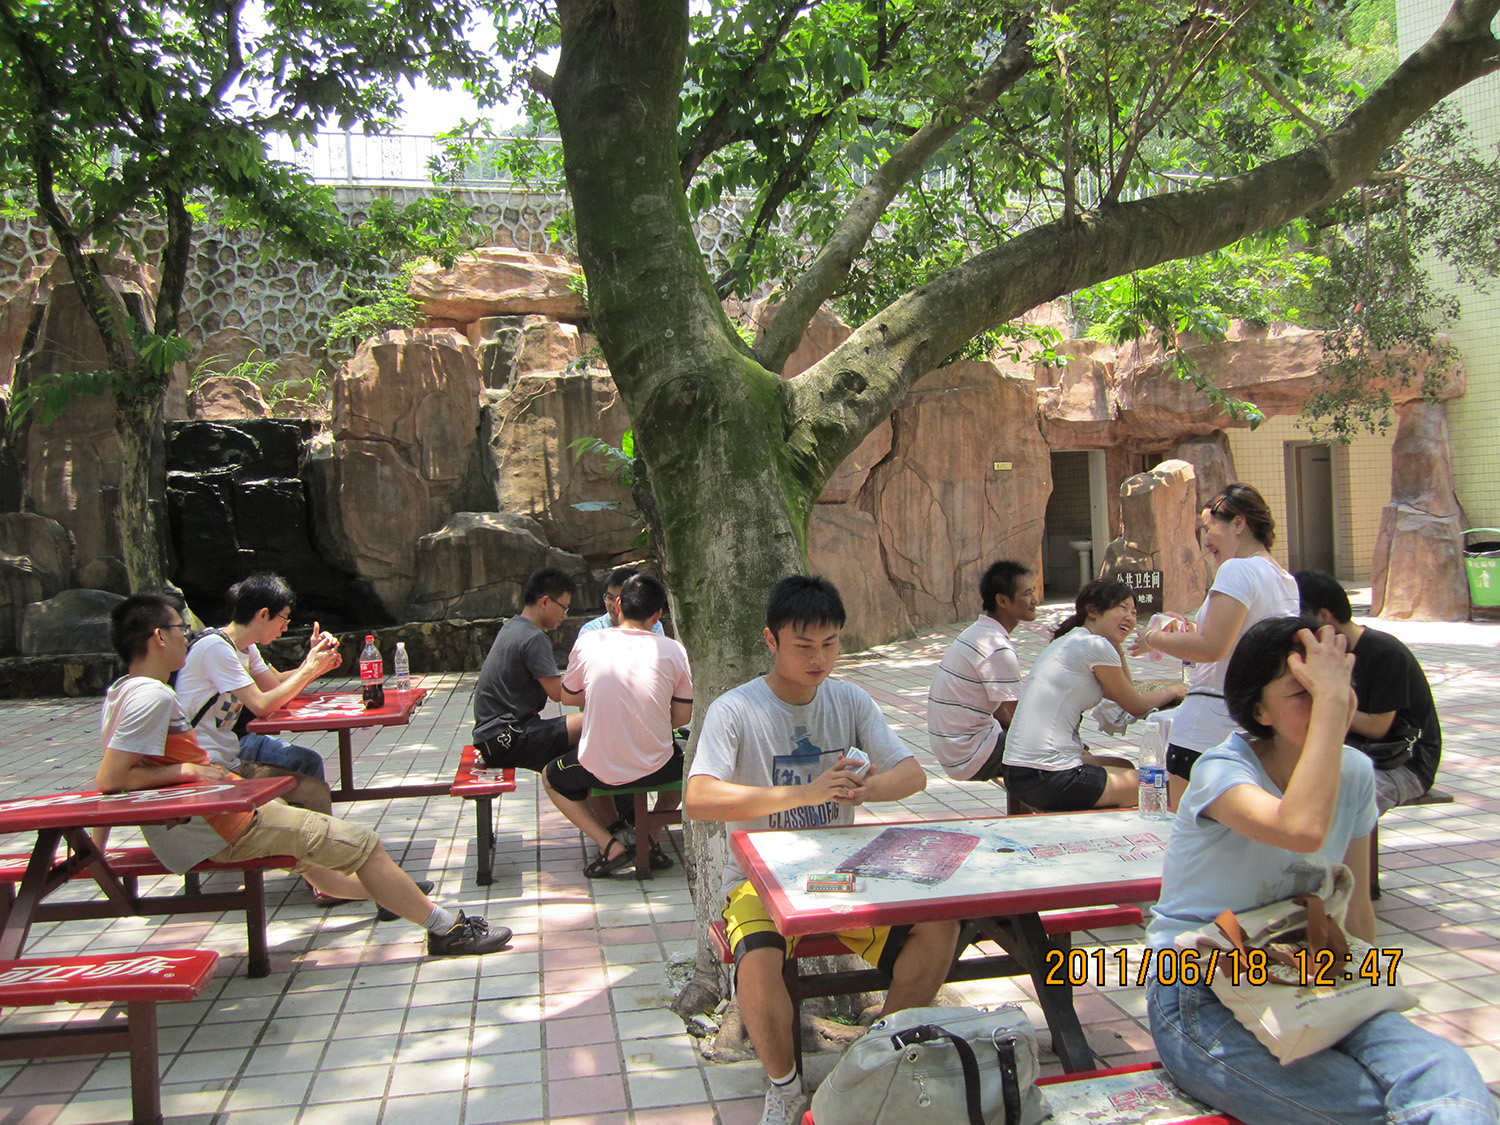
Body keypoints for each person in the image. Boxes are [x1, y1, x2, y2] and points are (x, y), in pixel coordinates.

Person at [1145, 617, 1493, 1124]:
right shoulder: (1222, 771)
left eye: (1334, 685)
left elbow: (1356, 911)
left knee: (1446, 1073)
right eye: (1302, 692)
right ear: (1259, 710)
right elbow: (1301, 828)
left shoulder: (1353, 771)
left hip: (1309, 973)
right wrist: (1331, 705)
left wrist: (1366, 994)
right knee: (1364, 1107)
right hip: (1199, 988)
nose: (1330, 699)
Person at [684, 576, 960, 1125]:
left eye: (830, 644)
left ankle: (873, 1061)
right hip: (759, 881)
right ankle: (785, 1087)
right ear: (771, 640)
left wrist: (864, 789)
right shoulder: (735, 710)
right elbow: (698, 796)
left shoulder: (849, 699)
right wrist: (803, 793)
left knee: (941, 925)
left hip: (841, 876)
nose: (819, 659)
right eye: (804, 646)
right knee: (757, 959)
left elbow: (912, 775)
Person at [98, 594, 513, 957]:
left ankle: (396, 896)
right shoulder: (152, 695)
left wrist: (97, 852)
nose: (186, 637)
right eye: (180, 629)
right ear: (159, 637)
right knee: (365, 845)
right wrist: (188, 769)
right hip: (217, 825)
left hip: (214, 815)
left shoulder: (123, 689)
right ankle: (447, 931)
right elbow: (111, 780)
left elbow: (120, 776)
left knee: (311, 858)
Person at [1130, 482, 1297, 804]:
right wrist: (1187, 630)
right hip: (1254, 726)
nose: (1205, 542)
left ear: (1239, 523)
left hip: (1207, 730)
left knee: (1186, 825)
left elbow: (1212, 647)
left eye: (1208, 528)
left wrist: (1152, 638)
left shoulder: (1238, 569)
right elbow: (1240, 638)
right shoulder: (1283, 579)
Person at [544, 573, 692, 876]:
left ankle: (610, 844)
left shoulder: (588, 642)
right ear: (657, 616)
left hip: (599, 770)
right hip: (658, 767)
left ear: (619, 604)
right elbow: (682, 718)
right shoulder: (674, 650)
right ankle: (649, 838)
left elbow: (567, 698)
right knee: (690, 763)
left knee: (551, 777)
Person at [1002, 579, 1186, 811]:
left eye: (1133, 612)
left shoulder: (1072, 640)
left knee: (1123, 765)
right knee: (1158, 785)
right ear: (1093, 610)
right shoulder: (1094, 646)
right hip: (1048, 776)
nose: (1130, 618)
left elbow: (1125, 691)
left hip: (1018, 771)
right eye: (1122, 608)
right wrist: (1176, 690)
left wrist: (1117, 647)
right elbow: (1136, 704)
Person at [173, 574, 339, 817]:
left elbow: (277, 691)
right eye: (284, 618)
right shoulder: (215, 647)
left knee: (310, 772)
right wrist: (310, 668)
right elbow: (262, 705)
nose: (285, 627)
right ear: (263, 614)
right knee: (305, 794)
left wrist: (314, 662)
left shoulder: (245, 647)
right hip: (207, 761)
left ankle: (312, 834)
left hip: (229, 753)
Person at [1296, 569, 1442, 812]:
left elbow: (1377, 727)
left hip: (1403, 764)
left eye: (1298, 617)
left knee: (1339, 805)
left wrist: (1326, 702)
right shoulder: (1323, 653)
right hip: (1355, 756)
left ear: (1323, 616)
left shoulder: (1385, 653)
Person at [925, 559, 1038, 781]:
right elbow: (1019, 716)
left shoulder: (977, 632)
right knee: (1062, 752)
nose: (1034, 600)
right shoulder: (997, 648)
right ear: (1002, 600)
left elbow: (1002, 711)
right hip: (972, 756)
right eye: (1027, 594)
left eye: (1033, 592)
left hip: (954, 752)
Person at [472, 567, 582, 771]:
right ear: (545, 602)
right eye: (564, 608)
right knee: (593, 721)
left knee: (573, 761)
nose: (565, 616)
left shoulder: (513, 626)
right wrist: (604, 694)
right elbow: (560, 694)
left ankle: (561, 782)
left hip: (492, 739)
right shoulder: (533, 637)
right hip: (507, 737)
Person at [575, 565, 665, 637]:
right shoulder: (590, 632)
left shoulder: (654, 626)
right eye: (610, 598)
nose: (614, 605)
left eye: (620, 599)